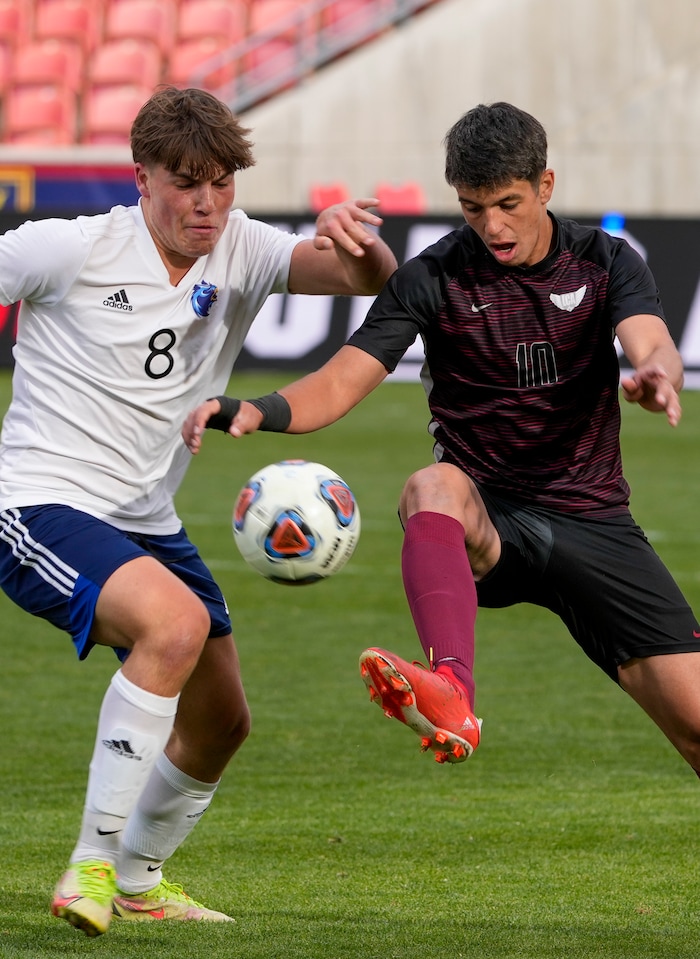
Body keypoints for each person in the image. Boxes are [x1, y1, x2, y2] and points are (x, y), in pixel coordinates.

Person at [184, 102, 700, 780]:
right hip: (489, 521)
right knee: (433, 485)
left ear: (545, 186)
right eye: (473, 207)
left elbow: (649, 336)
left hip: (594, 521)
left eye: (508, 203)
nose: (492, 225)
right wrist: (260, 408)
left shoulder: (603, 262)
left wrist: (656, 370)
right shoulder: (434, 276)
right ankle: (451, 687)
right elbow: (343, 379)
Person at [0, 85, 397, 938]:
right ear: (141, 177)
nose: (207, 203)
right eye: (186, 183)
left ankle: (140, 880)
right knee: (174, 627)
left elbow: (365, 282)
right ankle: (92, 866)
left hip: (146, 514)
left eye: (221, 182)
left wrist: (356, 245)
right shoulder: (69, 247)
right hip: (40, 501)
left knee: (222, 720)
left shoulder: (243, 246)